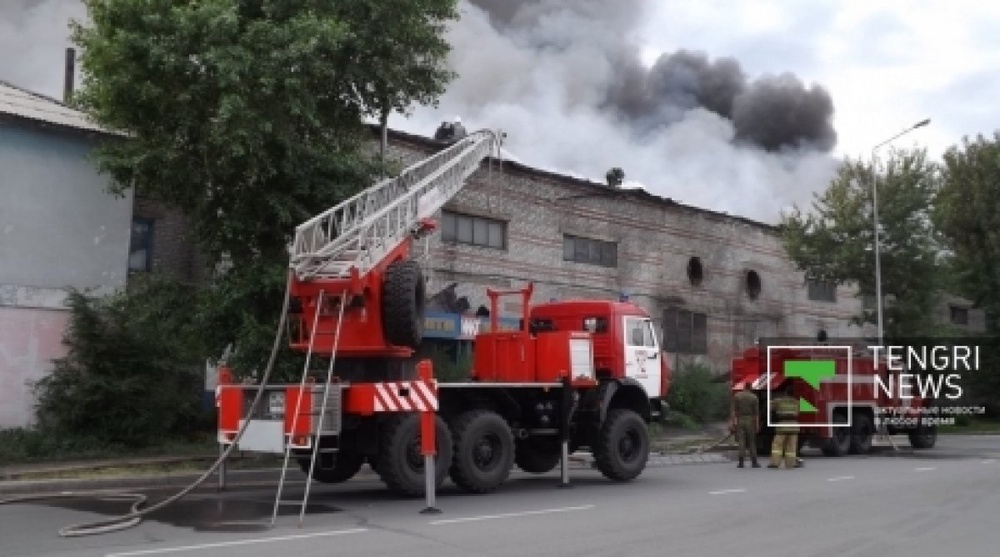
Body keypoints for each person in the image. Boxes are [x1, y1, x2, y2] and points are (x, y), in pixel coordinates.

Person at [769, 383, 802, 469]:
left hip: (782, 425)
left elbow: (770, 407)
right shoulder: (797, 402)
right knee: (791, 447)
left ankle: (775, 463)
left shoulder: (779, 401)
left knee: (777, 445)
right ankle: (790, 464)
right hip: (794, 426)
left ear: (785, 393)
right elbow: (798, 412)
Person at [730, 383, 760, 468]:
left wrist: (733, 423)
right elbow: (756, 414)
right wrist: (757, 425)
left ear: (744, 387)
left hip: (740, 420)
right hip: (750, 421)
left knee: (741, 441)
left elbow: (734, 411)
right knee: (752, 442)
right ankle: (754, 462)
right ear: (751, 388)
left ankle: (741, 463)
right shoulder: (754, 397)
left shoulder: (737, 396)